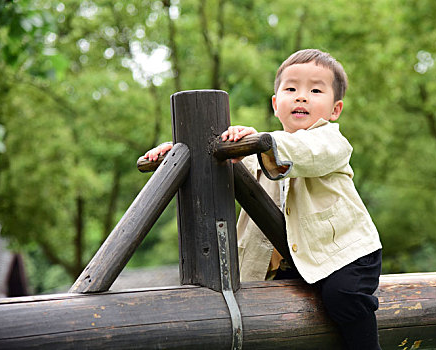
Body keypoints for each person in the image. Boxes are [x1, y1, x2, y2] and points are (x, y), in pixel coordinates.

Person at [144, 49, 382, 350]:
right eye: (291, 88)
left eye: (316, 90)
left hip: (344, 254)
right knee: (261, 317)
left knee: (344, 297)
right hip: (288, 263)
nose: (302, 97)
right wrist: (179, 152)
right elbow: (221, 167)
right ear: (275, 103)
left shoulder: (332, 142)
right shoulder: (264, 150)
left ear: (335, 110)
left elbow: (307, 153)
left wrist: (259, 142)